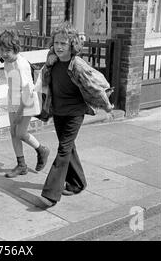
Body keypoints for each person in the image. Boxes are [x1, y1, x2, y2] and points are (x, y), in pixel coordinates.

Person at [38, 22, 114, 208]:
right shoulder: (53, 60)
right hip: (58, 110)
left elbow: (94, 88)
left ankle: (51, 193)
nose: (59, 46)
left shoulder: (77, 65)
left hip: (74, 112)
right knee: (69, 147)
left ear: (72, 44)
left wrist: (107, 107)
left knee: (63, 149)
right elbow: (45, 80)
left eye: (64, 43)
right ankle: (78, 183)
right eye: (56, 43)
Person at [0, 30, 50, 178]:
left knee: (20, 133)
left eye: (8, 50)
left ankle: (41, 149)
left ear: (16, 49)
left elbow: (28, 92)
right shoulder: (6, 59)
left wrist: (19, 114)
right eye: (1, 50)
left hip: (26, 100)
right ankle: (21, 165)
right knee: (13, 133)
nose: (4, 54)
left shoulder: (21, 65)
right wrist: (0, 43)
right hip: (13, 97)